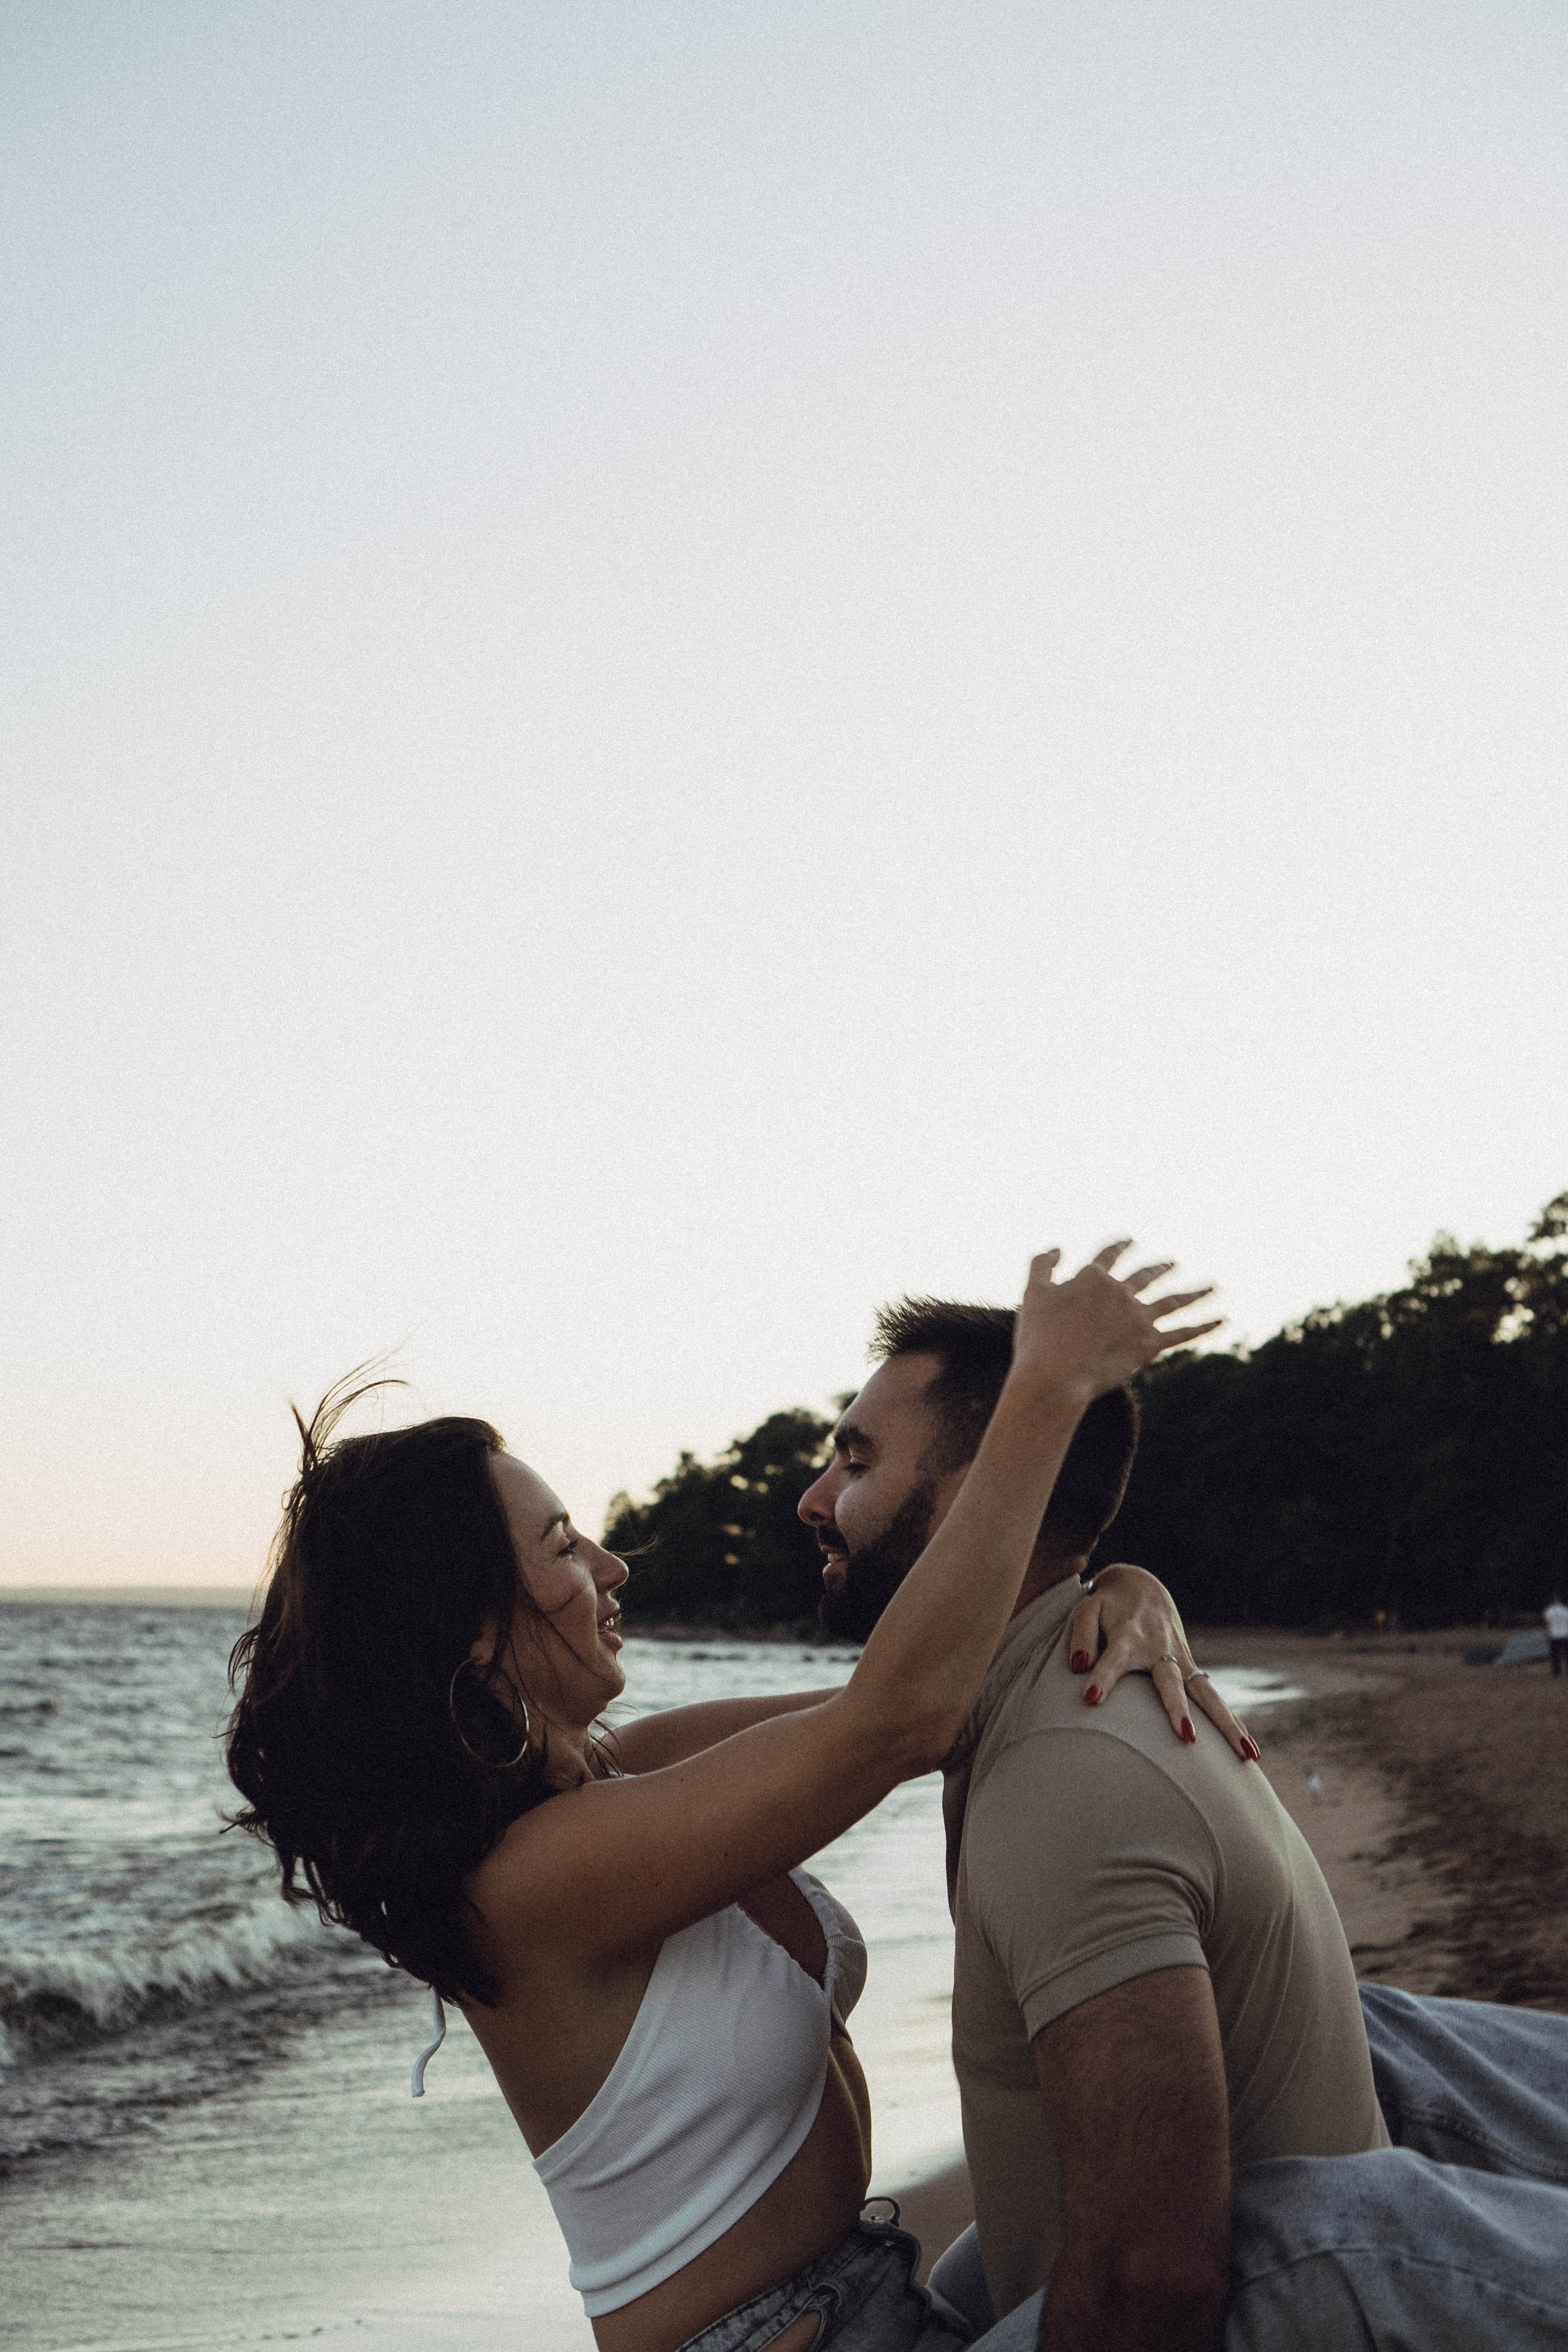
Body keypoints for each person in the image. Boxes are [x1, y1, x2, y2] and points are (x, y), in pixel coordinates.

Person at [226, 1242, 1235, 2352]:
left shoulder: (629, 1774)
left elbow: (950, 1682)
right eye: (565, 1546)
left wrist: (1133, 1592)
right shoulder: (530, 1881)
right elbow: (899, 1719)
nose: (613, 1568)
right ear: (470, 1629)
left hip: (865, 2302)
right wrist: (1044, 1389)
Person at [800, 1296, 1568, 2352]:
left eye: (853, 1463)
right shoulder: (1046, 1701)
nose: (812, 1497)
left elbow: (1148, 2287)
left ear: (989, 1495)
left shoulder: (1063, 1774)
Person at [1544, 1592, 1568, 1676]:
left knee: (1555, 1655)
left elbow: (1547, 1623)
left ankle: (1557, 1672)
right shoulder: (1565, 1610)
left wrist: (1548, 1634)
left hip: (1554, 1635)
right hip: (1565, 1635)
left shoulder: (1549, 1610)